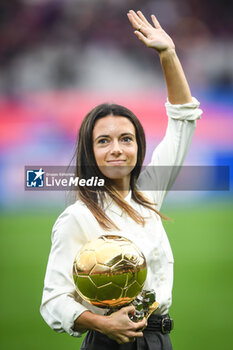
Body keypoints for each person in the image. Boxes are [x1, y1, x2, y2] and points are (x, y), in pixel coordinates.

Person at [40, 9, 202, 350]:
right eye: (104, 141)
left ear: (138, 146)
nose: (116, 149)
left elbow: (183, 119)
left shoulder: (150, 195)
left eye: (125, 139)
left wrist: (169, 55)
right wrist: (102, 323)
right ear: (90, 152)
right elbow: (53, 300)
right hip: (108, 342)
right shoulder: (78, 216)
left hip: (160, 340)